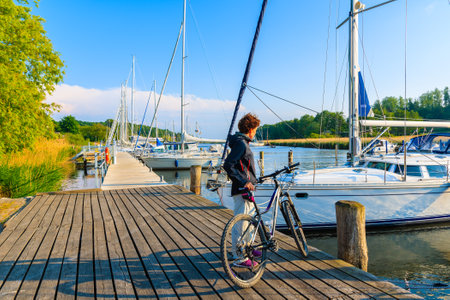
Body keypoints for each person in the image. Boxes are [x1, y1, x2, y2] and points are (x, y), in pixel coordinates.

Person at [223, 113, 261, 268]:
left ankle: (247, 248)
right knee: (241, 224)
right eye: (256, 129)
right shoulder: (241, 143)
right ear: (251, 129)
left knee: (249, 221)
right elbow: (228, 165)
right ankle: (239, 257)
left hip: (246, 189)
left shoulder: (242, 142)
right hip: (242, 190)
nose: (256, 132)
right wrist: (244, 181)